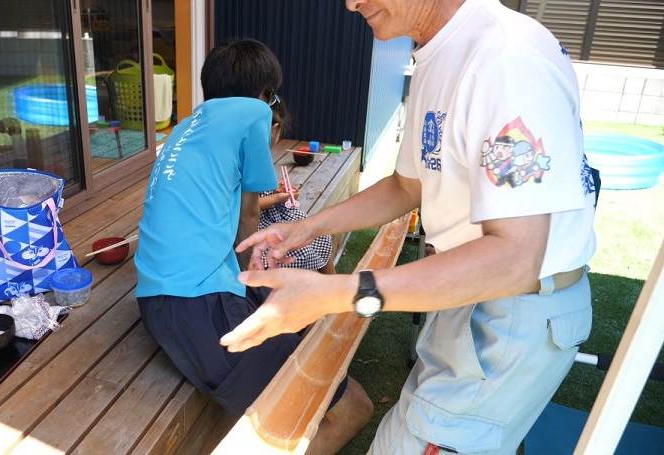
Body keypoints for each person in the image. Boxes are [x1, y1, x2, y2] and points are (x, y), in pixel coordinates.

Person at [223, 1, 597, 453]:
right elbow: (406, 186)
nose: (350, 3)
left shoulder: (504, 60)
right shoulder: (440, 51)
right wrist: (307, 227)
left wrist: (336, 294)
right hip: (466, 294)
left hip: (510, 311)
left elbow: (515, 259)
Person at [134, 39, 373, 454]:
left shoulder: (187, 125)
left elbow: (222, 203)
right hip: (198, 306)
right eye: (272, 97)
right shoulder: (254, 114)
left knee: (298, 302)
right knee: (354, 407)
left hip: (162, 298)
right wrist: (251, 273)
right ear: (265, 95)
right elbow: (248, 218)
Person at [259, 98, 335, 273]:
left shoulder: (261, 156)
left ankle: (333, 283)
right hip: (259, 223)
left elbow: (262, 189)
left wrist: (277, 189)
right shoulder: (248, 160)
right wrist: (277, 198)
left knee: (319, 233)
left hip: (274, 214)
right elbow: (244, 206)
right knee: (301, 248)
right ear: (274, 129)